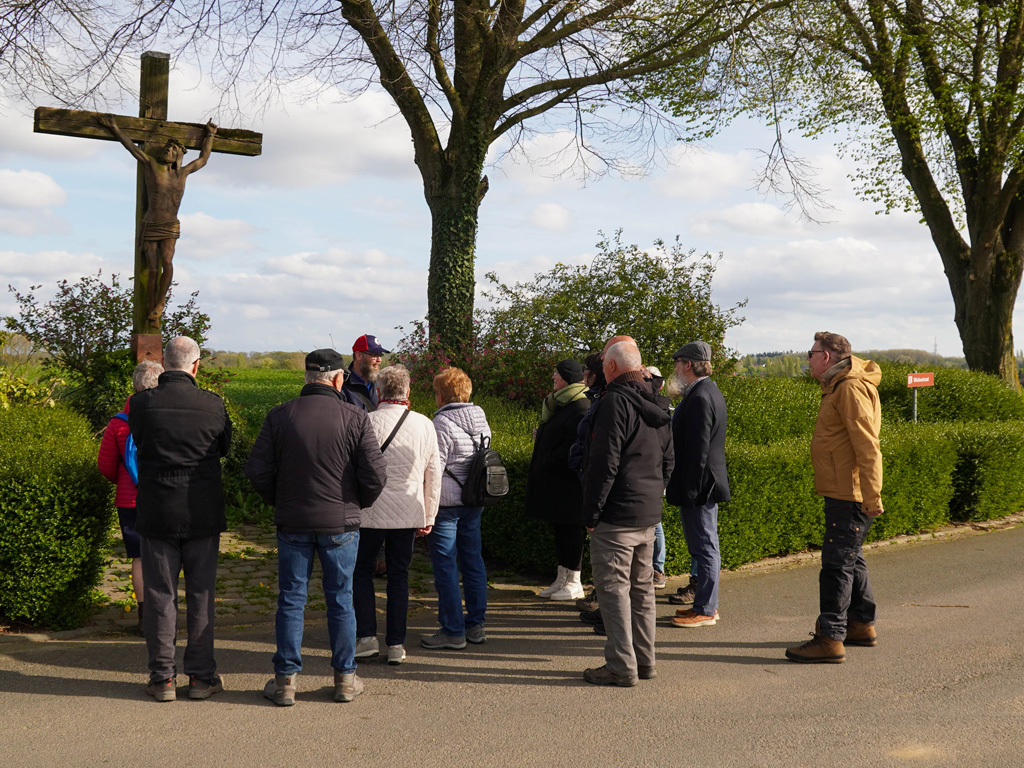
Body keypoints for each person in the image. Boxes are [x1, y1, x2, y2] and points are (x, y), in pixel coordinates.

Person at [245, 349, 387, 704]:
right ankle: (344, 678)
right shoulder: (355, 417)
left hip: (293, 520)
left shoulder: (280, 416)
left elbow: (257, 470)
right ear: (339, 379)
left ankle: (285, 682)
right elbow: (376, 475)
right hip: (340, 522)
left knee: (292, 599)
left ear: (307, 378)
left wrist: (279, 500)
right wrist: (356, 505)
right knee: (341, 599)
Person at [128, 336, 231, 702]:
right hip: (201, 509)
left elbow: (139, 442)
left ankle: (163, 678)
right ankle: (202, 677)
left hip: (157, 510)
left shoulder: (141, 404)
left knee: (159, 595)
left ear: (165, 363)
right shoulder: (213, 404)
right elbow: (223, 448)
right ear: (196, 365)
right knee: (201, 595)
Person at [581, 341, 673, 686]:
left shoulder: (614, 403)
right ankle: (645, 661)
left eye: (605, 363)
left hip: (616, 515)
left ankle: (621, 665)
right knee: (641, 590)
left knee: (613, 589)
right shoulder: (658, 401)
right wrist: (651, 496)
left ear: (613, 368)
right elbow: (668, 461)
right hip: (648, 513)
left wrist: (591, 513)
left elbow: (604, 464)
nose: (603, 368)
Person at [787, 332, 883, 664]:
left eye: (810, 354)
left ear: (826, 357)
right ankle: (860, 624)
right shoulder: (838, 386)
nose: (808, 360)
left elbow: (868, 445)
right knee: (851, 559)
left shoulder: (850, 388)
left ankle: (830, 637)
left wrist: (872, 495)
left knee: (836, 565)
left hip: (850, 494)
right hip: (844, 491)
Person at [354, 365, 441, 666]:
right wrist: (429, 514)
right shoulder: (425, 424)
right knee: (399, 577)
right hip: (408, 511)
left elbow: (355, 470)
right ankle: (395, 644)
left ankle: (366, 638)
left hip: (369, 512)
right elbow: (434, 474)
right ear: (408, 391)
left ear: (378, 391)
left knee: (362, 572)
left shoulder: (365, 421)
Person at [98, 114, 217, 323]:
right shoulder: (152, 167)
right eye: (166, 147)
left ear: (179, 154)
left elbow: (203, 160)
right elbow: (134, 149)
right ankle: (149, 308)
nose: (166, 150)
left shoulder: (184, 173)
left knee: (167, 262)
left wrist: (210, 135)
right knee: (153, 269)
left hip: (170, 225)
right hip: (152, 223)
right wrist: (116, 129)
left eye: (172, 148)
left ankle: (160, 303)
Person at [422, 367, 492, 650]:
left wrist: (427, 509)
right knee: (473, 562)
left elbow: (434, 470)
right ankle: (476, 625)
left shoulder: (440, 423)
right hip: (473, 502)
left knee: (446, 567)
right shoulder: (481, 417)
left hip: (447, 506)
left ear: (441, 395)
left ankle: (452, 630)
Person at [665, 341, 730, 628]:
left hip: (700, 486)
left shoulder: (701, 396)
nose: (676, 368)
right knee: (704, 546)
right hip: (701, 484)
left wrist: (689, 491)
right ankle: (705, 604)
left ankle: (706, 608)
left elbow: (698, 451)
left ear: (688, 365)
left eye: (678, 363)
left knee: (704, 548)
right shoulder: (705, 391)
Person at [97, 359, 163, 635]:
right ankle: (165, 615)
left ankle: (144, 618)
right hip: (163, 497)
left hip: (130, 500)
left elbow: (105, 465)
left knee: (139, 557)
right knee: (164, 554)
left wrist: (125, 482)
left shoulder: (118, 423)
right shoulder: (166, 416)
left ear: (134, 386)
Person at [526, 360, 590, 601]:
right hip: (555, 482)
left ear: (567, 377)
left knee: (571, 530)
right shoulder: (560, 403)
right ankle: (562, 577)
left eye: (557, 373)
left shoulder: (579, 405)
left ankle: (575, 581)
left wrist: (548, 457)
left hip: (569, 483)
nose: (553, 376)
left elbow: (572, 444)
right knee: (560, 529)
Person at [343, 334, 389, 411]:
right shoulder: (342, 385)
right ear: (358, 355)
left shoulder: (382, 384)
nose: (379, 360)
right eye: (375, 355)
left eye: (380, 355)